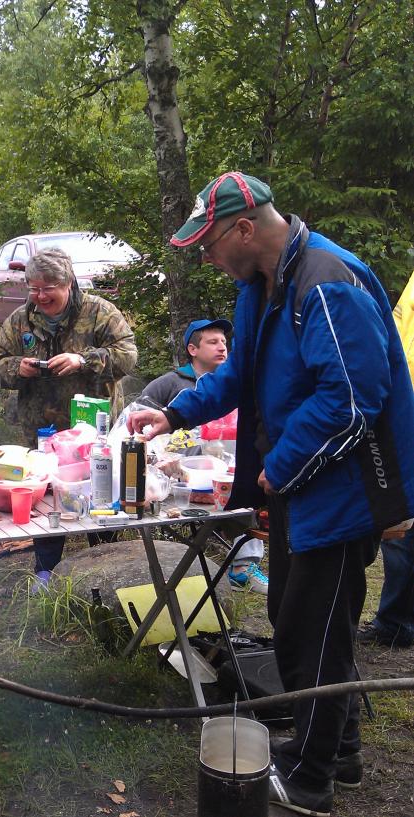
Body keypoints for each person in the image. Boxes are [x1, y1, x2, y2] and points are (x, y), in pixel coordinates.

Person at [128, 171, 414, 817]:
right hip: (300, 486)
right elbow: (239, 373)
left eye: (208, 244)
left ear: (243, 228)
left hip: (343, 491)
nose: (206, 257)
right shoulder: (260, 286)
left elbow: (350, 399)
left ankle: (310, 779)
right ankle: (339, 752)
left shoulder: (326, 282)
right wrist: (173, 413)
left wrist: (281, 464)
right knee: (298, 619)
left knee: (312, 633)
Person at [0, 247, 137, 588]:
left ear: (68, 282)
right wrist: (18, 367)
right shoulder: (21, 320)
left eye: (48, 288)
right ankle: (45, 573)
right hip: (43, 433)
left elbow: (127, 355)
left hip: (93, 435)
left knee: (100, 499)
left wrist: (83, 361)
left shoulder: (99, 312)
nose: (40, 296)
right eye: (34, 289)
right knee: (45, 505)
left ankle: (104, 573)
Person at [139, 317, 269, 594]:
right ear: (193, 349)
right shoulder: (169, 383)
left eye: (224, 342)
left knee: (245, 497)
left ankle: (243, 568)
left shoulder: (239, 386)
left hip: (227, 471)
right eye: (212, 342)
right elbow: (138, 420)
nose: (222, 347)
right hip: (177, 479)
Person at [358, 268, 414, 647]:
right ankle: (395, 620)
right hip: (404, 414)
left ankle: (396, 621)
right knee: (401, 523)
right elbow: (396, 332)